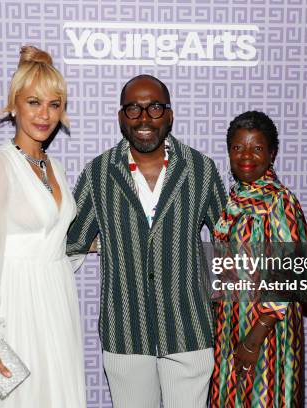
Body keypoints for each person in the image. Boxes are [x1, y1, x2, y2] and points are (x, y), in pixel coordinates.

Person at [66, 75, 226, 407]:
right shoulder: (97, 174)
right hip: (125, 334)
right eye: (133, 109)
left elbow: (230, 242)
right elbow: (71, 241)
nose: (143, 118)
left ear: (169, 115)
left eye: (154, 108)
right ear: (121, 117)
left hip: (189, 331)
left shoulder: (201, 170)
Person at [0, 46, 86, 407]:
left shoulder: (53, 167)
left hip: (57, 303)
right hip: (15, 307)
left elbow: (55, 244)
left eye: (54, 104)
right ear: (14, 105)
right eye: (33, 102)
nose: (45, 114)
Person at [209, 111, 307, 408]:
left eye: (257, 148)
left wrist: (255, 337)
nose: (246, 156)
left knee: (264, 398)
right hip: (231, 323)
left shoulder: (279, 200)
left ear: (272, 153)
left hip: (267, 328)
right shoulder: (234, 199)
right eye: (238, 147)